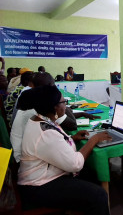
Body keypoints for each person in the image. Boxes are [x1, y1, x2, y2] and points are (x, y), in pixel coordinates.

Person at [17, 85, 110, 214]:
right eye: (63, 102)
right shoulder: (46, 132)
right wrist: (93, 140)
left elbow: (50, 145)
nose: (66, 105)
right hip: (38, 187)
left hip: (42, 177)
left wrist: (71, 138)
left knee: (91, 174)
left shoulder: (38, 119)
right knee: (99, 195)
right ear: (54, 106)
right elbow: (75, 164)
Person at [11, 72, 100, 163]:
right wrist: (94, 139)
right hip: (24, 160)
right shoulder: (41, 109)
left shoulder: (35, 101)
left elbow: (51, 141)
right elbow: (72, 125)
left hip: (28, 154)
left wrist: (71, 137)